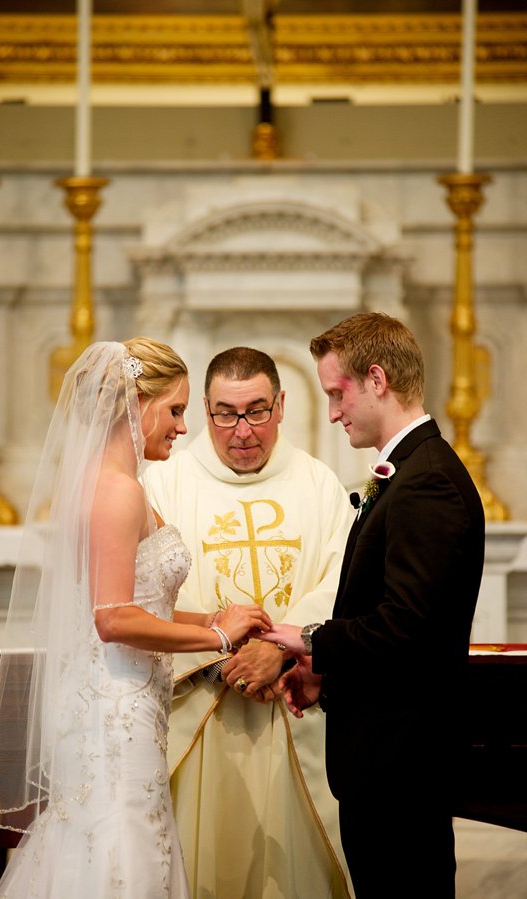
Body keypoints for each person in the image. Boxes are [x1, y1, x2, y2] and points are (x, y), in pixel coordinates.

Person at [0, 338, 271, 899]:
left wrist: (211, 614)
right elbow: (113, 619)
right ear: (135, 403)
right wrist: (215, 636)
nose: (183, 428)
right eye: (176, 410)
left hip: (114, 699)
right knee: (120, 846)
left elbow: (137, 601)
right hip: (114, 710)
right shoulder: (118, 491)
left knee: (109, 839)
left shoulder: (105, 483)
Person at [261, 312, 485, 899]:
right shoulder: (409, 471)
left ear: (377, 380)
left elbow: (407, 625)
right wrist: (323, 673)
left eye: (338, 393)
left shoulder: (426, 482)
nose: (333, 412)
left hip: (401, 761)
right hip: (388, 756)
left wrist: (310, 641)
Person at [144, 346, 354, 899]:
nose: (242, 430)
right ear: (204, 411)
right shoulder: (167, 483)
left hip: (292, 706)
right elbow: (151, 596)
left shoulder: (320, 483)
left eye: (257, 410)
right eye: (225, 413)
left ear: (281, 406)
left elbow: (343, 581)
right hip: (201, 715)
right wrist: (225, 661)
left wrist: (280, 653)